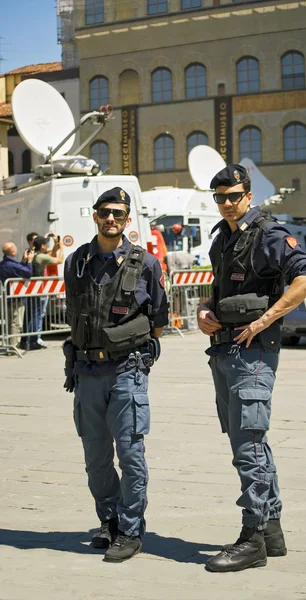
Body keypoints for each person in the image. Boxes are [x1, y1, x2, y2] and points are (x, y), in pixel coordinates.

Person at [197, 164, 306, 573]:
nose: (227, 203)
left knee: (248, 446)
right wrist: (202, 312)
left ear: (249, 195)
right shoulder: (224, 239)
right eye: (220, 197)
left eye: (234, 196)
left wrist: (267, 319)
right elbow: (215, 292)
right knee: (250, 443)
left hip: (254, 354)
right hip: (225, 350)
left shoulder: (268, 233)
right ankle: (271, 531)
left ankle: (251, 539)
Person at [63, 187, 168, 563]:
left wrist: (135, 350)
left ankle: (130, 529)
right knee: (95, 457)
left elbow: (158, 320)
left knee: (130, 453)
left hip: (127, 369)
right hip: (87, 371)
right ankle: (108, 520)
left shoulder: (146, 264)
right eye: (106, 212)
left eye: (119, 214)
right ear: (95, 215)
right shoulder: (76, 261)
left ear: (127, 220)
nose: (111, 218)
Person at [20, 235, 64, 350]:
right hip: (38, 289)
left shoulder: (34, 255)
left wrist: (55, 244)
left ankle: (25, 340)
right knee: (36, 314)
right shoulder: (41, 257)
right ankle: (34, 340)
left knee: (29, 315)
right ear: (43, 245)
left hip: (31, 289)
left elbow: (51, 252)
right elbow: (59, 260)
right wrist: (62, 247)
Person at [0, 242, 33, 347]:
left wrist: (24, 261)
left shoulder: (4, 264)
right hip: (16, 298)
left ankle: (10, 344)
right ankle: (14, 345)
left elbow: (18, 270)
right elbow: (28, 273)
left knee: (10, 321)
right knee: (16, 323)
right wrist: (30, 262)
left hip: (8, 298)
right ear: (13, 251)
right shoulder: (11, 265)